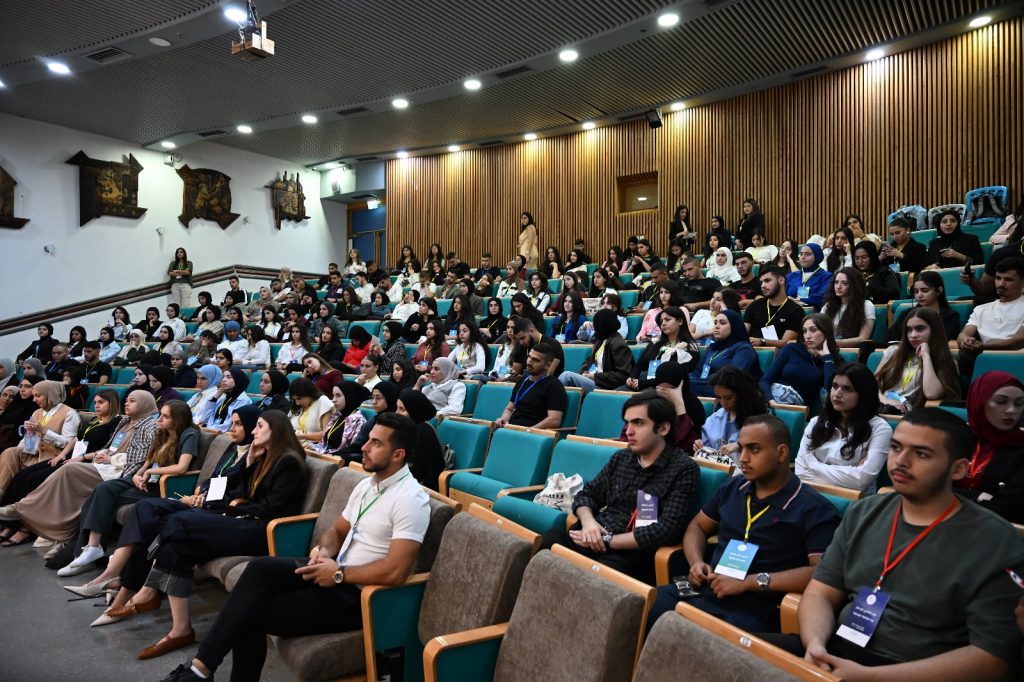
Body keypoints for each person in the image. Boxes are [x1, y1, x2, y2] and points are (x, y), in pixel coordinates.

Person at [157, 411, 425, 682]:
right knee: (259, 570)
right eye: (368, 439)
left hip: (360, 597)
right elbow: (336, 531)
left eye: (376, 443)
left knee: (249, 613)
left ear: (398, 455)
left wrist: (338, 574)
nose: (364, 447)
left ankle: (199, 671)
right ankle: (200, 669)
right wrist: (324, 551)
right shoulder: (367, 485)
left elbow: (396, 571)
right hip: (334, 571)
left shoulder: (410, 499)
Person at [781, 409, 1024, 679]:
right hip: (835, 650)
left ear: (958, 469)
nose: (901, 461)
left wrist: (869, 677)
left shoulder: (995, 540)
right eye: (896, 448)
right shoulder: (864, 512)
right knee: (743, 653)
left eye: (921, 454)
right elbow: (820, 592)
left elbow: (993, 658)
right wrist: (815, 646)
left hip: (915, 671)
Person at [102, 410, 307, 661]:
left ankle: (147, 588)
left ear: (276, 429)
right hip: (244, 520)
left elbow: (269, 508)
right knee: (177, 546)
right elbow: (238, 488)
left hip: (263, 531)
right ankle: (181, 630)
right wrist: (248, 463)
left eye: (259, 426)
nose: (254, 431)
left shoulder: (288, 462)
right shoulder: (263, 455)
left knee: (178, 521)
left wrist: (229, 507)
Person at [648, 414, 841, 633]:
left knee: (695, 635)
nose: (743, 458)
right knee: (648, 603)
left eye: (754, 449)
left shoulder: (814, 508)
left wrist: (749, 582)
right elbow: (697, 527)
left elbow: (821, 573)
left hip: (754, 605)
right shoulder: (733, 487)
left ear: (781, 453)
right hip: (709, 587)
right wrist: (696, 562)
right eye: (741, 449)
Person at [541, 391, 699, 583]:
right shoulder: (622, 458)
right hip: (594, 535)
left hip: (631, 552)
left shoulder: (683, 469)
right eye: (627, 423)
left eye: (638, 423)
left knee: (595, 578)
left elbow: (666, 530)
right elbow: (587, 494)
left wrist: (608, 541)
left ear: (663, 428)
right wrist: (589, 523)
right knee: (550, 542)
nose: (628, 431)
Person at [0, 390, 159, 551]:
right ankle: (53, 530)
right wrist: (87, 457)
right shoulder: (126, 421)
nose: (126, 403)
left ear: (144, 404)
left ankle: (24, 510)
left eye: (132, 401)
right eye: (127, 400)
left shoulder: (150, 427)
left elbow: (140, 460)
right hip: (103, 464)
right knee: (60, 475)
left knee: (69, 470)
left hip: (118, 471)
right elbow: (109, 447)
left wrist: (108, 459)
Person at [58, 400, 198, 576]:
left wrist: (150, 472)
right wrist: (139, 475)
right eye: (160, 414)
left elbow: (182, 467)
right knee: (103, 489)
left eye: (165, 416)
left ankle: (87, 551)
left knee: (104, 499)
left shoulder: (189, 434)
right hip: (144, 480)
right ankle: (92, 547)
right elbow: (148, 461)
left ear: (178, 420)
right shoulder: (162, 433)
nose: (159, 419)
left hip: (160, 485)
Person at [795, 364, 892, 492]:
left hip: (855, 501)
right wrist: (851, 473)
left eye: (847, 389)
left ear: (864, 394)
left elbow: (861, 480)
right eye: (835, 386)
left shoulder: (880, 428)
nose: (837, 393)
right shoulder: (816, 422)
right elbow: (800, 472)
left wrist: (812, 464)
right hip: (811, 495)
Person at [954, 372, 1024, 522]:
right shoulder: (956, 437)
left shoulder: (1020, 448)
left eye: (1019, 404)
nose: (1011, 410)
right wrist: (975, 496)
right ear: (979, 402)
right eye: (1001, 401)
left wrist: (952, 496)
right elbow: (928, 487)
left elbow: (1006, 510)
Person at [0, 380, 81, 496]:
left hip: (53, 457)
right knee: (10, 452)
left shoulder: (69, 413)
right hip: (34, 454)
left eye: (38, 396)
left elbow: (68, 443)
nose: (34, 400)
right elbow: (28, 444)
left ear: (50, 394)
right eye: (33, 396)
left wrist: (44, 431)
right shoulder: (37, 412)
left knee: (20, 470)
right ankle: (1, 492)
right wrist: (25, 440)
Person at [876, 308, 961, 413]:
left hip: (909, 414)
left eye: (920, 329)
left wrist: (926, 356)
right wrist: (886, 401)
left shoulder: (945, 362)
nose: (913, 335)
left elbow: (932, 394)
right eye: (909, 330)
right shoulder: (893, 351)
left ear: (934, 330)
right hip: (881, 405)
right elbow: (873, 384)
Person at [957, 257, 1024, 381]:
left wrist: (984, 346)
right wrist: (966, 341)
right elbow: (964, 334)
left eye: (1008, 279)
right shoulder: (981, 309)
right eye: (998, 278)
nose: (1001, 284)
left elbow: (1020, 340)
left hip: (1017, 361)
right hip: (983, 360)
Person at [693, 366, 770, 469]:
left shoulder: (761, 418)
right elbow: (707, 448)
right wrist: (700, 446)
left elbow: (767, 448)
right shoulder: (716, 417)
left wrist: (740, 445)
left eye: (728, 397)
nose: (723, 403)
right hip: (719, 471)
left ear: (741, 394)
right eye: (719, 397)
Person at [762, 313, 841, 407]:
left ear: (826, 332)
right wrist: (771, 401)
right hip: (771, 396)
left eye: (813, 330)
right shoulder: (792, 349)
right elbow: (765, 380)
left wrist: (827, 357)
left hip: (793, 404)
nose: (807, 336)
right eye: (804, 331)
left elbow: (830, 391)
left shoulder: (832, 361)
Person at [558, 309, 633, 395]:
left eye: (596, 324)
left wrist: (594, 376)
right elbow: (589, 361)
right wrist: (583, 373)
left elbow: (623, 375)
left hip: (604, 385)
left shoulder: (618, 344)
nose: (594, 327)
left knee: (566, 376)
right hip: (593, 379)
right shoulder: (601, 340)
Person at [495, 342, 568, 429]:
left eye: (535, 360)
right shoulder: (522, 380)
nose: (529, 362)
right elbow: (509, 409)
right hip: (511, 429)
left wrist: (529, 430)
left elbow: (554, 420)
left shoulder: (554, 386)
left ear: (547, 365)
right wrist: (503, 419)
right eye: (529, 357)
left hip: (531, 433)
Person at [690, 310, 760, 398]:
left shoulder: (744, 349)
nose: (716, 326)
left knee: (683, 385)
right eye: (715, 323)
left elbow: (731, 378)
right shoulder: (713, 347)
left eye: (722, 323)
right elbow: (697, 371)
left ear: (734, 326)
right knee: (680, 380)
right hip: (705, 386)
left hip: (730, 391)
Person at [627, 306, 699, 390]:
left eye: (667, 320)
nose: (663, 324)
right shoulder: (655, 342)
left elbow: (674, 378)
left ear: (680, 321)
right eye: (661, 321)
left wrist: (644, 383)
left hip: (670, 390)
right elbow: (639, 365)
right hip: (646, 384)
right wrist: (632, 378)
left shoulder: (690, 347)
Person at [884, 271, 960, 344]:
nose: (919, 295)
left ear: (939, 290)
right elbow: (888, 338)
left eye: (925, 290)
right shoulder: (907, 313)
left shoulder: (950, 317)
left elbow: (943, 343)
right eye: (916, 291)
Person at [396, 389, 448, 490]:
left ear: (414, 410)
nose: (396, 413)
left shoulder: (422, 431)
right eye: (397, 408)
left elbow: (419, 472)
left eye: (402, 409)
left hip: (423, 488)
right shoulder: (411, 428)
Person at [744, 265, 806, 347]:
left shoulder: (796, 311)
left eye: (767, 281)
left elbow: (787, 343)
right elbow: (743, 334)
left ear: (781, 280)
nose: (763, 286)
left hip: (779, 353)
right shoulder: (755, 305)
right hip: (749, 350)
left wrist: (762, 341)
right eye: (761, 282)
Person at [337, 382, 399, 462]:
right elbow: (357, 445)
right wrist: (336, 454)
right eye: (373, 397)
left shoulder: (396, 423)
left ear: (390, 398)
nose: (374, 402)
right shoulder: (375, 419)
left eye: (378, 398)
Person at [310, 381, 370, 457]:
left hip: (338, 460)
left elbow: (352, 450)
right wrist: (313, 448)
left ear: (349, 396)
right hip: (325, 457)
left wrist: (326, 455)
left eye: (338, 395)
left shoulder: (358, 421)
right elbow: (324, 445)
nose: (333, 399)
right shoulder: (337, 416)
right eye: (333, 396)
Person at [821, 267, 875, 348]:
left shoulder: (866, 305)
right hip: (826, 348)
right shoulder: (828, 306)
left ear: (854, 285)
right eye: (836, 282)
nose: (838, 287)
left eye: (844, 283)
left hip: (850, 350)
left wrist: (832, 343)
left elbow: (863, 338)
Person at [201, 368, 251, 432]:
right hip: (211, 431)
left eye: (228, 377)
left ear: (238, 380)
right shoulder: (223, 398)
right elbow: (204, 419)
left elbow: (229, 425)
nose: (224, 380)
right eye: (223, 377)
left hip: (225, 434)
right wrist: (215, 397)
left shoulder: (244, 400)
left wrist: (210, 429)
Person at [288, 377, 334, 444]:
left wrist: (302, 436)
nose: (297, 403)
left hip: (316, 446)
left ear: (309, 393)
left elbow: (327, 434)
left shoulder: (323, 402)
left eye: (299, 398)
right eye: (294, 399)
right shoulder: (296, 406)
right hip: (295, 444)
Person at [786, 244, 830, 308]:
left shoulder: (826, 276)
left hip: (815, 313)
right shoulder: (791, 276)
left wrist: (799, 300)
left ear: (817, 256)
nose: (803, 257)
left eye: (808, 254)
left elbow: (822, 298)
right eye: (801, 254)